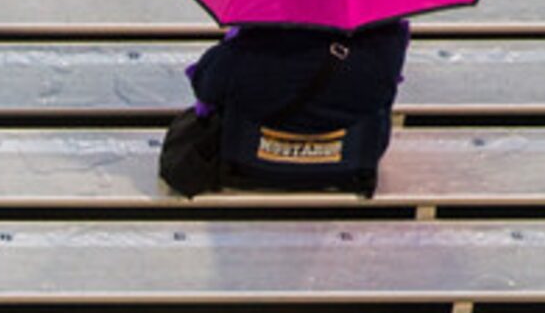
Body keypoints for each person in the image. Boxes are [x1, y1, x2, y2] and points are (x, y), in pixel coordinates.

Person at [171, 18, 409, 200]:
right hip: (352, 165)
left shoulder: (250, 45)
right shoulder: (385, 40)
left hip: (247, 164)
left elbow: (206, 86)